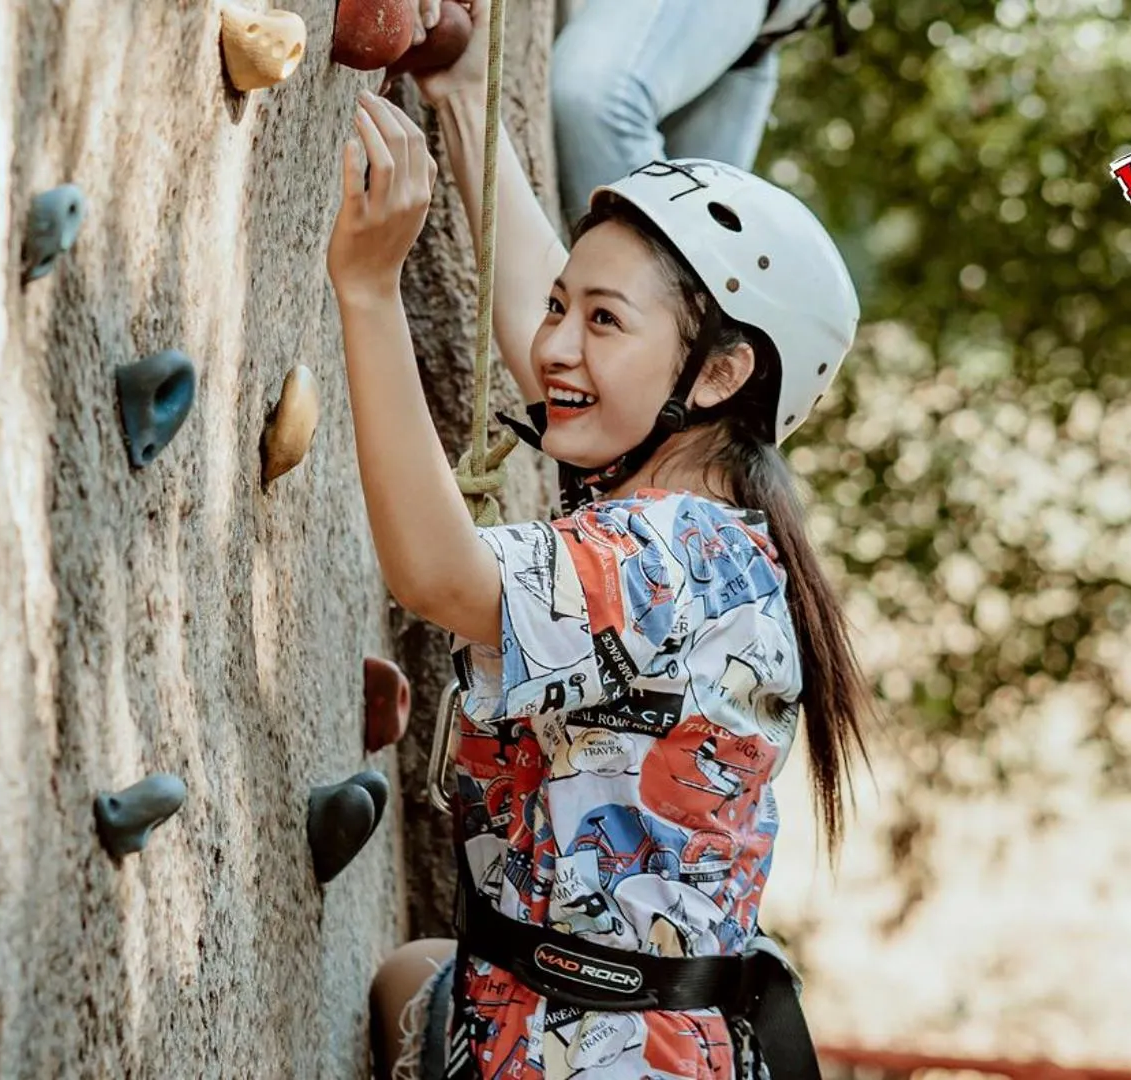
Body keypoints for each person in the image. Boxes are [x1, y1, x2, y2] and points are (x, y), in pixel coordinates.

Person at [326, 0, 875, 1074]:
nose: (557, 345)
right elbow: (571, 358)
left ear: (716, 376)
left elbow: (441, 576)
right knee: (410, 975)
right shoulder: (721, 524)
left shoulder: (673, 554)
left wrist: (365, 289)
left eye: (603, 319)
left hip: (606, 1053)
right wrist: (464, 95)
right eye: (558, 307)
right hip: (580, 1015)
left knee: (416, 979)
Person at [550, 0, 845, 216]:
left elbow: (594, 100)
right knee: (706, 230)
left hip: (754, 24)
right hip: (758, 30)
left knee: (599, 99)